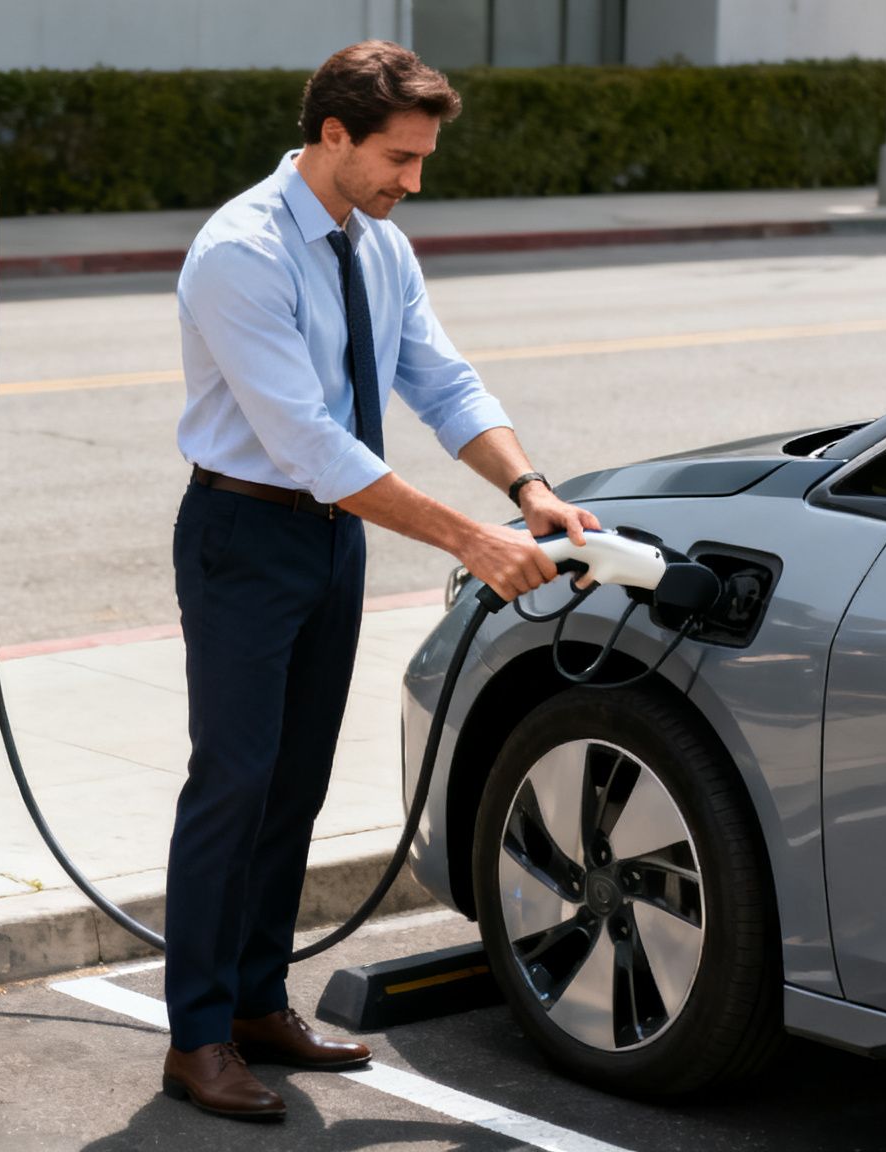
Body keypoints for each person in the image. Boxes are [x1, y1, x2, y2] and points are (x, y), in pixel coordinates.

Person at [162, 40, 602, 1121]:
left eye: (421, 159)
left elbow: (436, 377)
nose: (415, 180)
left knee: (295, 781)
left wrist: (527, 486)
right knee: (231, 782)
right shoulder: (242, 252)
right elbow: (309, 444)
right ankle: (197, 1037)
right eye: (400, 158)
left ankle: (260, 1003)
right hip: (244, 534)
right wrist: (469, 539)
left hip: (330, 541)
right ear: (331, 137)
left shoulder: (374, 245)